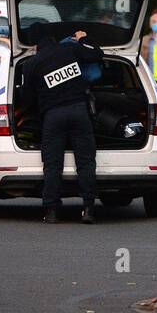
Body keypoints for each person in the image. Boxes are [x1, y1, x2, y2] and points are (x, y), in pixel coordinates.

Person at [16, 27, 104, 224]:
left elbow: (26, 99)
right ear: (53, 39)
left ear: (35, 45)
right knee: (86, 163)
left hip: (53, 117)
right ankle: (89, 209)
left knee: (53, 165)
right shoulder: (70, 50)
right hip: (79, 111)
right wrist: (84, 38)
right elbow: (97, 54)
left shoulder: (32, 64)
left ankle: (51, 211)